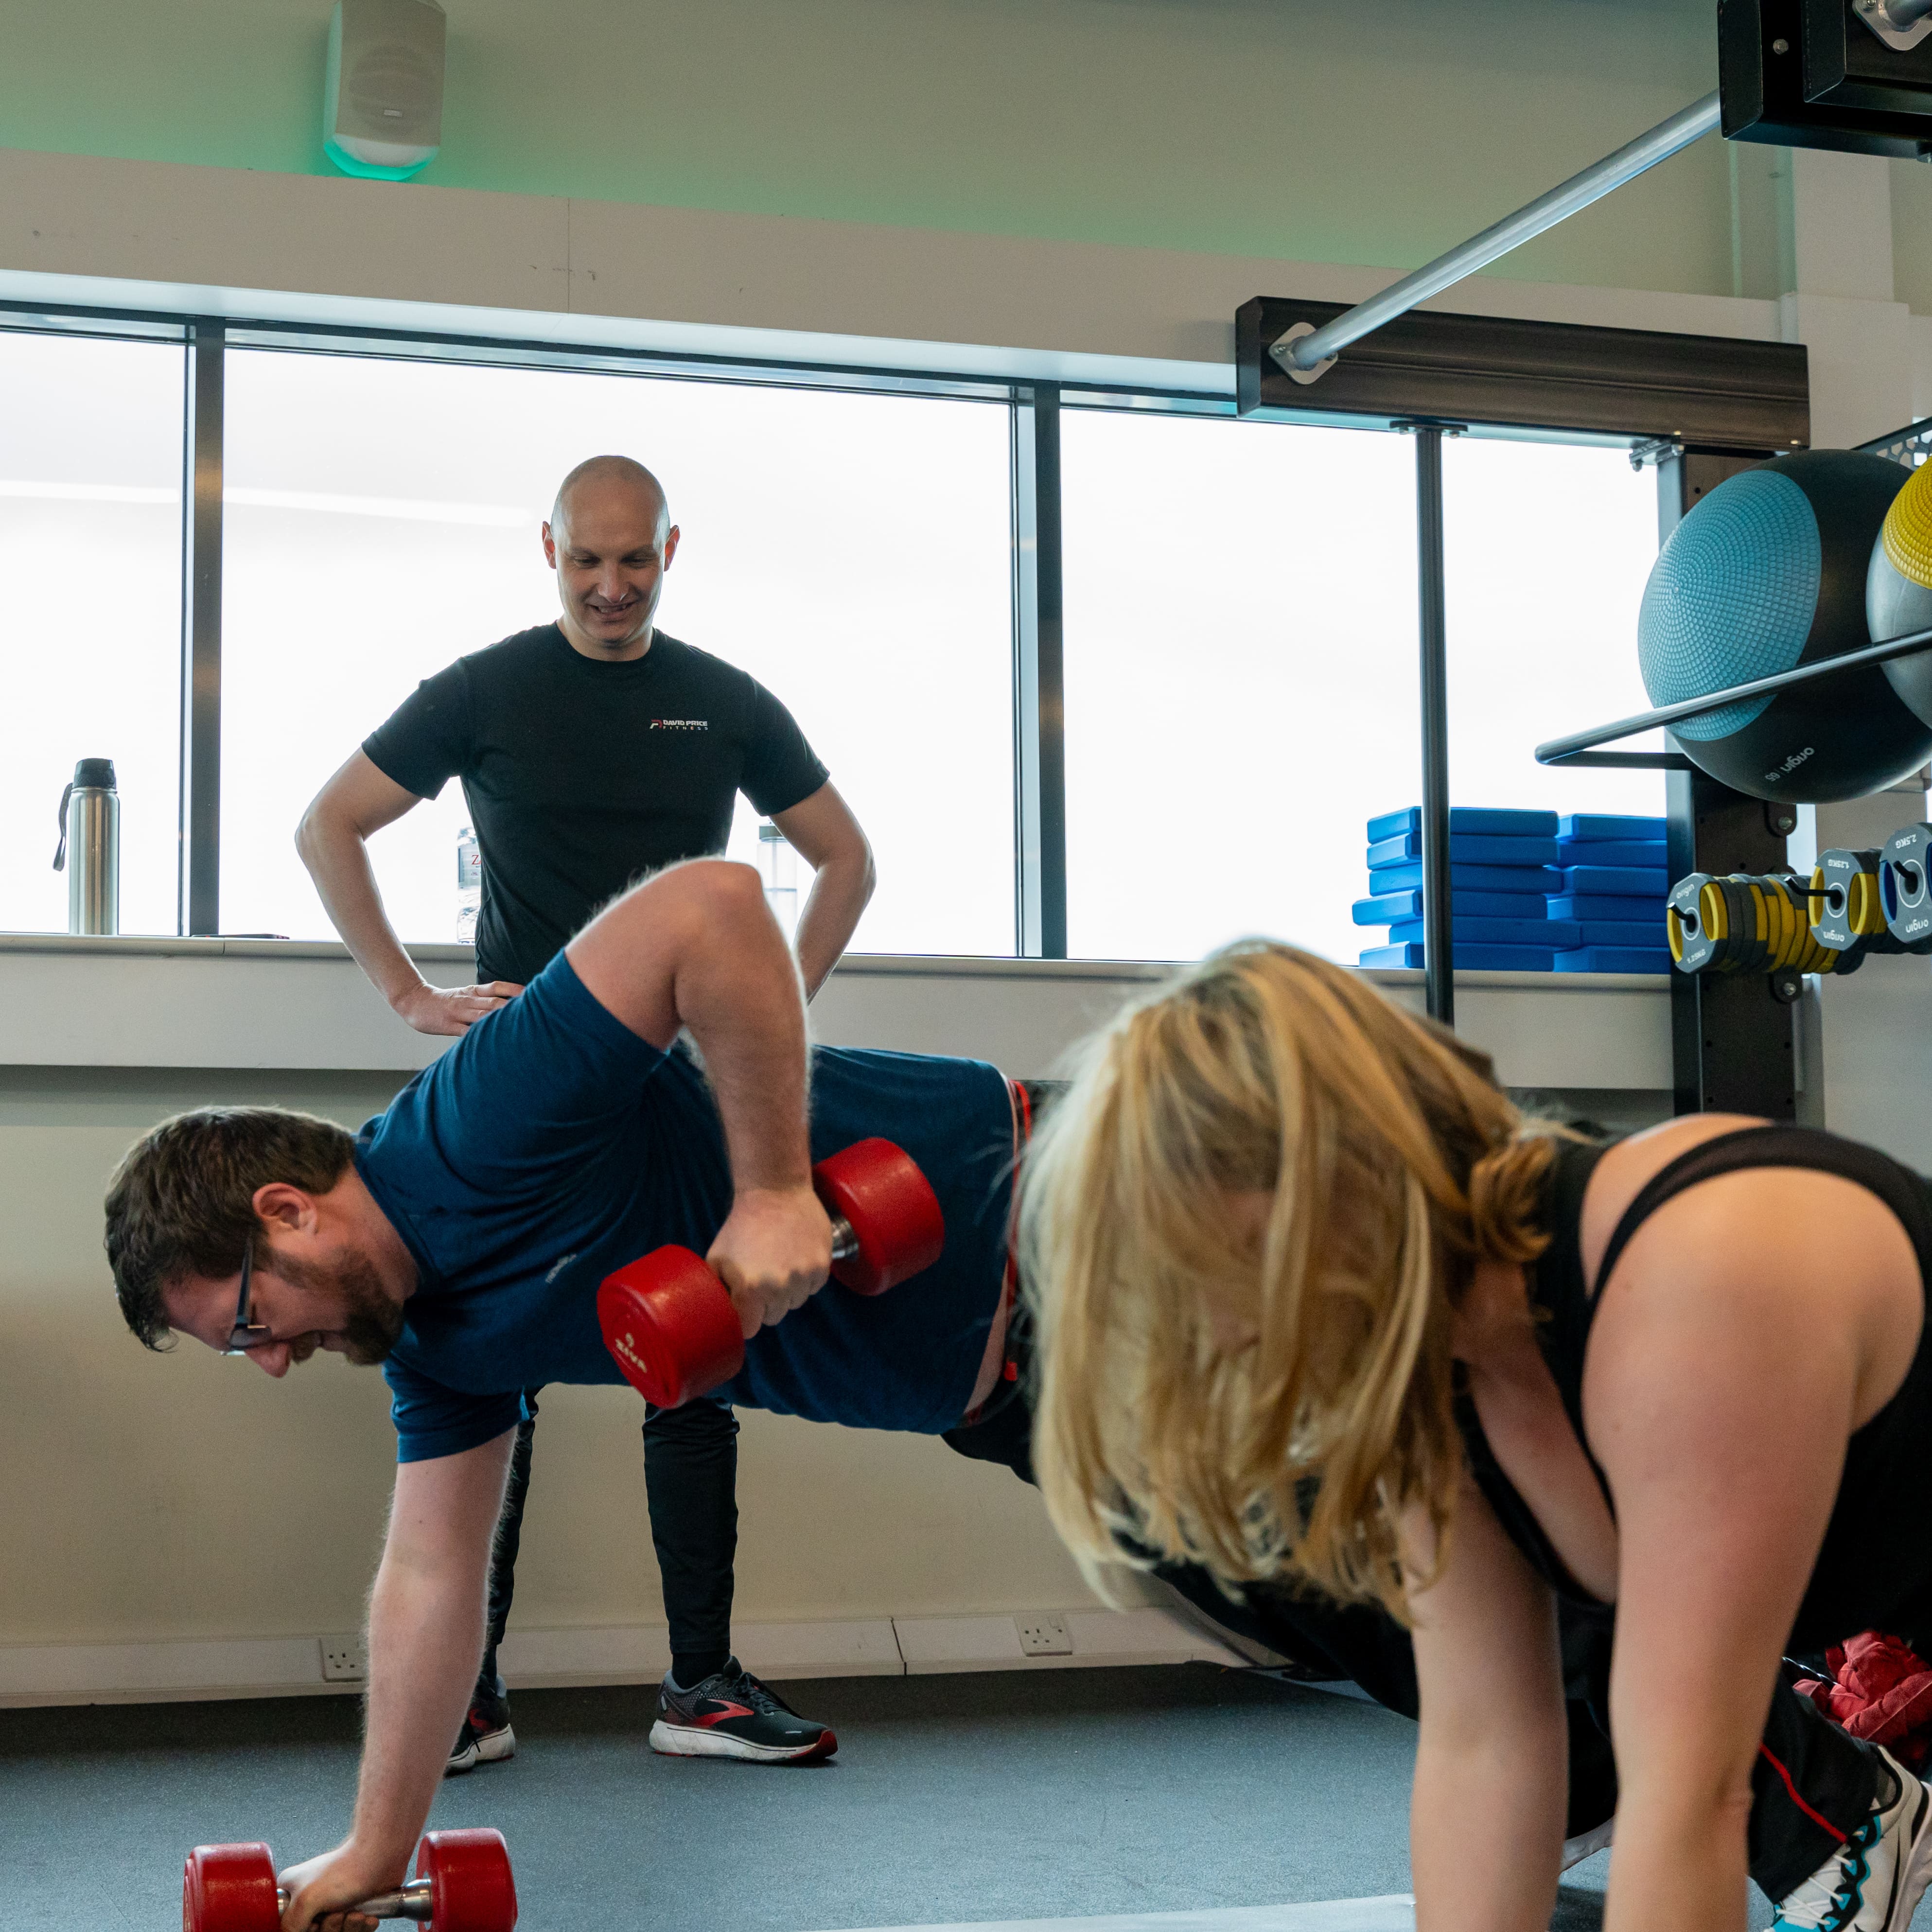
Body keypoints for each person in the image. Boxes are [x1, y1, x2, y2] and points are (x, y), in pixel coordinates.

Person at [106, 867, 1905, 1932]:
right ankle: (1796, 1771)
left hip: (1108, 1272)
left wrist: (756, 1188)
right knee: (1415, 1646)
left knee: (1589, 1665)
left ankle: (1830, 1796)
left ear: (286, 1208)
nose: (265, 1357)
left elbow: (717, 906)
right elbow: (429, 1582)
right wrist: (377, 1848)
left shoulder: (475, 1120)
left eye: (245, 1315)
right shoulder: (438, 1346)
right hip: (1025, 1399)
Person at [1020, 938, 1932, 1932]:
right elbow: (1486, 1752)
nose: (1219, 1339)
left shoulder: (1694, 1282)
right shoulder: (1438, 1370)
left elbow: (1692, 1802)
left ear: (1332, 1192)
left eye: (1212, 1280)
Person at [295, 454, 874, 1774]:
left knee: (703, 1344)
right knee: (493, 1352)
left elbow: (847, 854)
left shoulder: (722, 701)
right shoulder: (484, 690)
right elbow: (329, 823)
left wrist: (762, 1016)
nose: (611, 586)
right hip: (525, 1089)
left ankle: (701, 1684)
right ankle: (472, 1693)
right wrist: (407, 994)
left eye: (636, 560)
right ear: (544, 549)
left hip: (670, 1081)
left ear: (672, 548)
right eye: (585, 560)